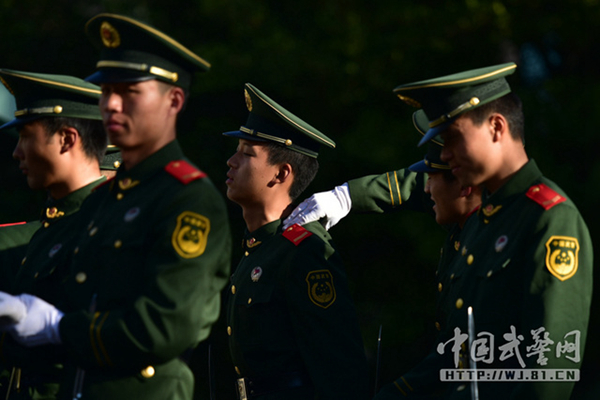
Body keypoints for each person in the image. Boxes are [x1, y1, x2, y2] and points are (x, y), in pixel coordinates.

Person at [0, 13, 231, 400]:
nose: (111, 104)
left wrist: (57, 328)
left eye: (129, 92)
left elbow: (165, 326)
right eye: (107, 91)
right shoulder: (105, 201)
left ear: (174, 101)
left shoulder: (188, 199)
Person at [389, 62, 591, 399]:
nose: (444, 154)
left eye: (451, 136)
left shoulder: (549, 219)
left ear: (496, 127)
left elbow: (550, 371)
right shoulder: (485, 223)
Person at [284, 111, 483, 398]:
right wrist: (347, 196)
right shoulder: (467, 212)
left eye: (433, 176)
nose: (426, 188)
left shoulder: (504, 227)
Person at [223, 83, 368, 399]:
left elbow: (340, 370)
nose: (231, 162)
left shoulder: (304, 251)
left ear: (280, 174)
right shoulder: (260, 248)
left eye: (246, 154)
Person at [0, 70, 108, 398]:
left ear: (67, 139)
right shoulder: (53, 227)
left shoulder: (107, 228)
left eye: (26, 137)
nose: (17, 152)